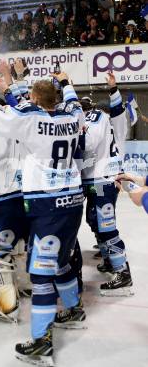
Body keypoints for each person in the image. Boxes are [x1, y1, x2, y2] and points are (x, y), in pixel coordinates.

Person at [0, 72, 85, 366]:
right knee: (60, 262)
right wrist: (67, 83)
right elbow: (73, 103)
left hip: (49, 205)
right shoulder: (73, 117)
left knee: (41, 275)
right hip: (72, 201)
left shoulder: (30, 119)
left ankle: (42, 342)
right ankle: (74, 309)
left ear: (34, 99)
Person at [79, 72, 133, 295]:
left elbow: (118, 111)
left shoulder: (104, 121)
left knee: (106, 225)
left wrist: (113, 90)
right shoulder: (109, 125)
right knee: (94, 219)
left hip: (103, 181)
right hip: (96, 181)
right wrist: (113, 89)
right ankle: (111, 260)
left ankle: (122, 272)